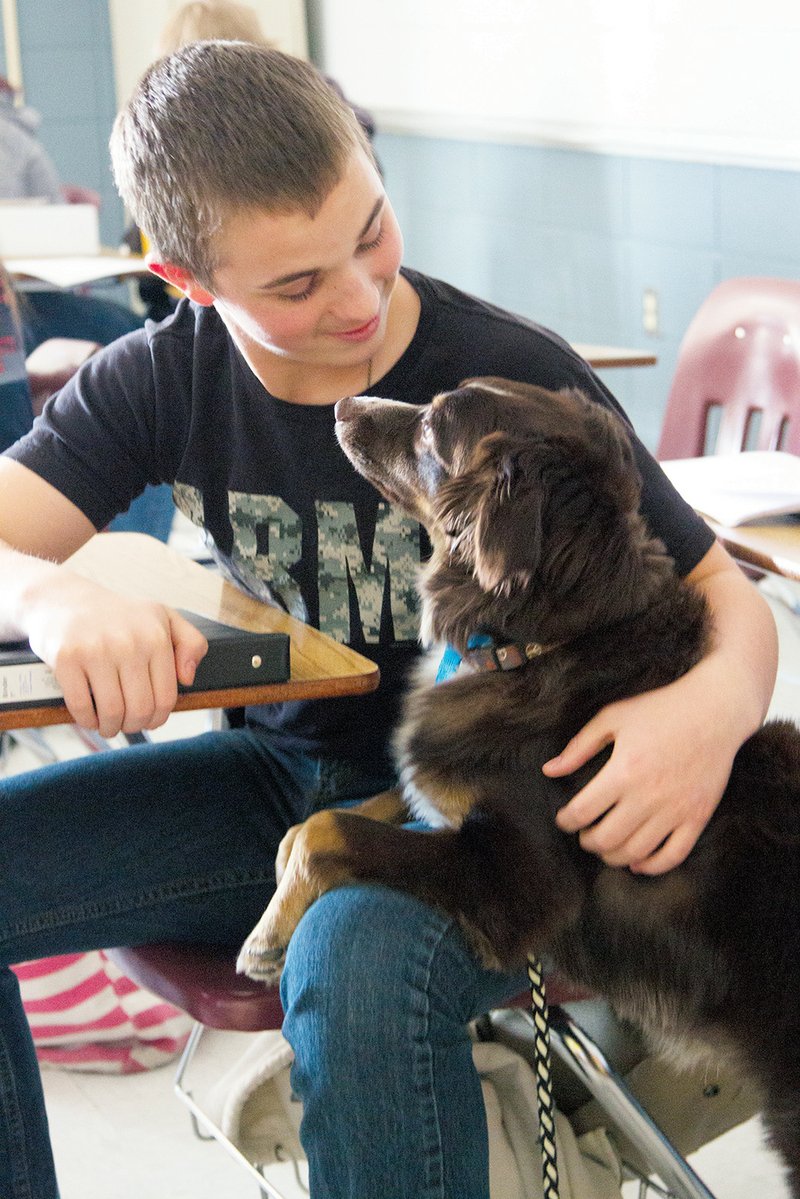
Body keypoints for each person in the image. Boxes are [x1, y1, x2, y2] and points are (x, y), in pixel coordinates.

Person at [0, 41, 777, 1199]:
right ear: (184, 278)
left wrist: (706, 715)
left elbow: (731, 599)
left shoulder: (506, 370)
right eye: (296, 285)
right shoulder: (162, 379)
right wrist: (50, 592)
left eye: (369, 232)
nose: (358, 302)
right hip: (278, 769)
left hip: (505, 827)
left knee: (349, 960)